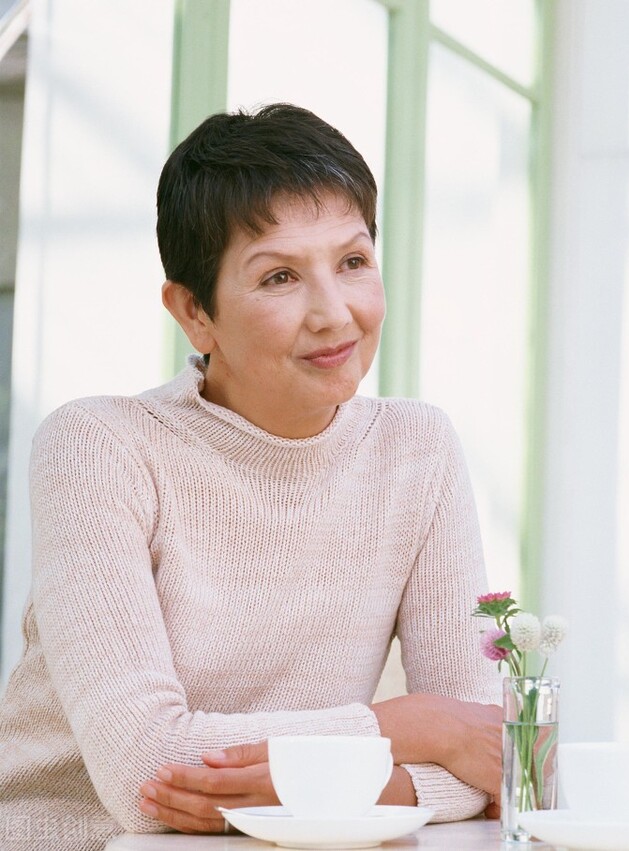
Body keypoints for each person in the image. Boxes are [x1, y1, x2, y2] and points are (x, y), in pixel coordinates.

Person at [0, 103, 501, 850]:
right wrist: (407, 727)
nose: (335, 314)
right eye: (279, 277)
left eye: (354, 262)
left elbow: (487, 761)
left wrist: (330, 777)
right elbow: (147, 772)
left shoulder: (416, 449)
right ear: (195, 312)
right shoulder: (100, 445)